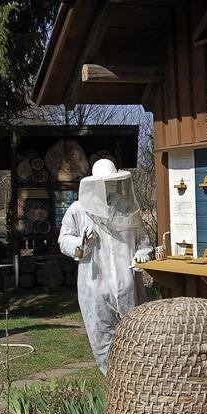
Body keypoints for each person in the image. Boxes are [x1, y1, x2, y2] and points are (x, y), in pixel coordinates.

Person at [59, 159, 152, 375]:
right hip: (95, 288)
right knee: (102, 341)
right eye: (103, 182)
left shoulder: (127, 207)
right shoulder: (78, 210)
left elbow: (142, 241)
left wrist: (142, 254)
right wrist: (80, 245)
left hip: (127, 283)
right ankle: (114, 385)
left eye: (111, 182)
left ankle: (137, 382)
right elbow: (64, 240)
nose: (107, 186)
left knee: (135, 338)